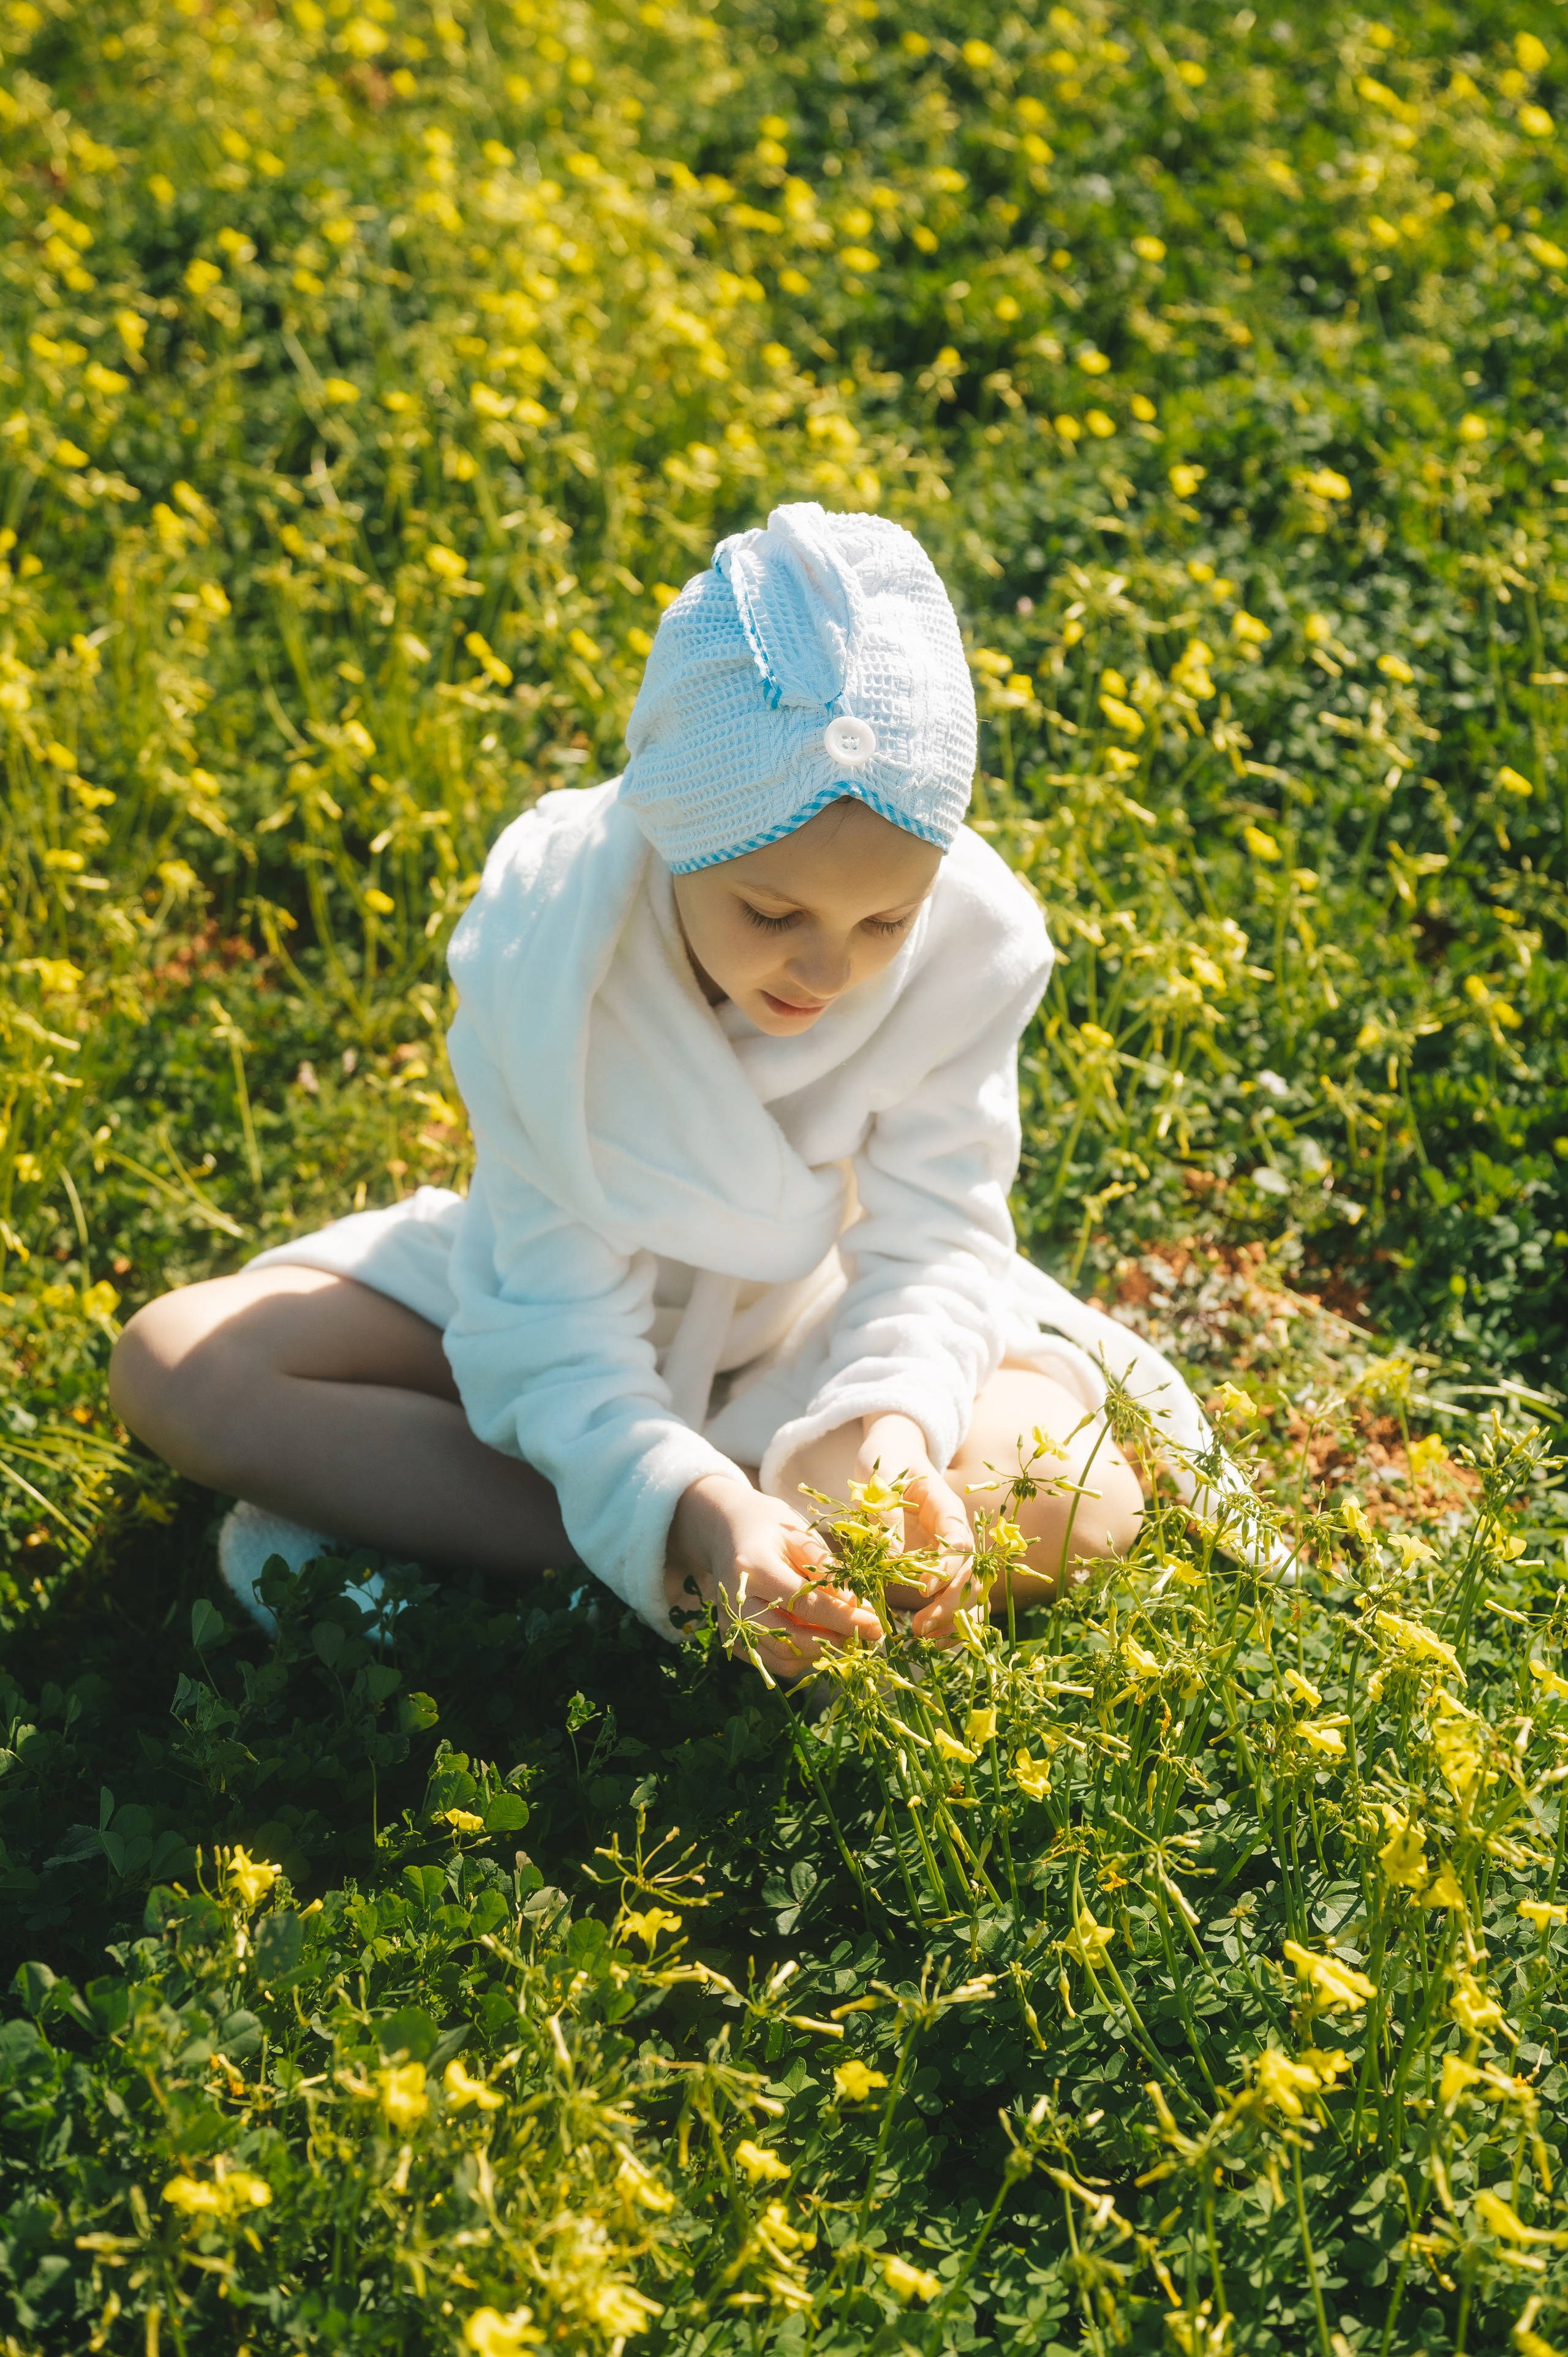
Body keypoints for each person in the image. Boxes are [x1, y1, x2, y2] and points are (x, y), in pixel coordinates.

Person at [112, 502, 1221, 1681]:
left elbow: (938, 1240)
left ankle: (646, 1559)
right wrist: (686, 1500)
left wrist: (891, 1431)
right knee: (180, 1364)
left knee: (1080, 1501)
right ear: (674, 832)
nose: (826, 971)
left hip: (808, 1329)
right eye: (772, 913)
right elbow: (550, 1308)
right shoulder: (553, 938)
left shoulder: (973, 945)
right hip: (559, 1312)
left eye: (885, 921)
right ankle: (691, 1551)